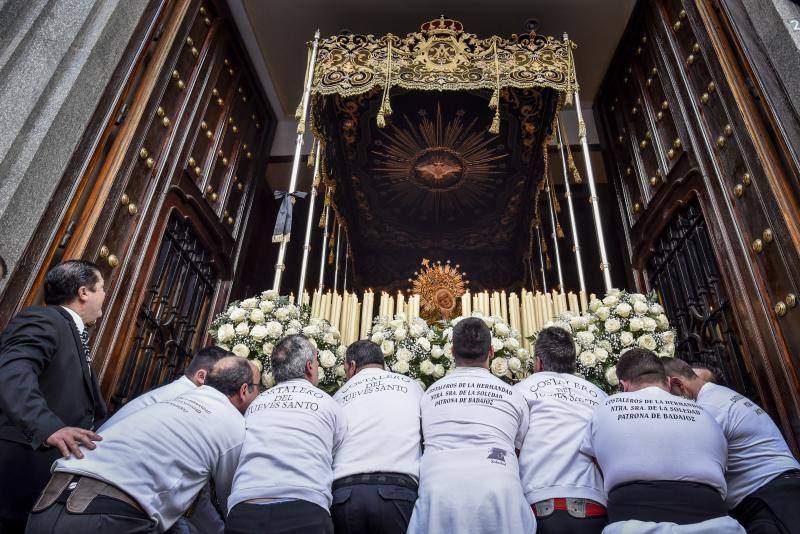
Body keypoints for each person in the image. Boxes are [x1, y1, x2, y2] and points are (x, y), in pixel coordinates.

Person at [26, 356, 261, 534]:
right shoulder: (233, 424)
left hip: (46, 503)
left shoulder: (168, 400)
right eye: (258, 388)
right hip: (110, 516)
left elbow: (194, 497)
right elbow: (231, 497)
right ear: (243, 390)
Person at [581, 348, 743, 533]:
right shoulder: (704, 412)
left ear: (623, 386)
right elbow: (721, 463)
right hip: (716, 523)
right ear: (667, 381)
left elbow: (594, 458)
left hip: (632, 522)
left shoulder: (606, 407)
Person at [0, 260, 108, 532]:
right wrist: (48, 426)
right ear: (84, 292)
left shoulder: (73, 332)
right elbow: (13, 370)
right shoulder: (44, 319)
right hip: (15, 471)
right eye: (102, 288)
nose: (105, 296)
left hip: (43, 482)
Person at [407, 317, 535, 534]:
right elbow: (520, 447)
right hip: (500, 492)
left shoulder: (429, 395)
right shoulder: (514, 395)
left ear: (451, 351)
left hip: (439, 494)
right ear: (492, 352)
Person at [101, 345, 234, 534]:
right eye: (226, 381)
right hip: (117, 498)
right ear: (202, 377)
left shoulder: (170, 394)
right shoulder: (188, 404)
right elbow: (196, 498)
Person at [226, 335, 347, 534]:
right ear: (309, 366)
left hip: (245, 506)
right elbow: (337, 448)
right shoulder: (328, 403)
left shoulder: (256, 404)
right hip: (304, 506)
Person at [663, 357, 800, 533]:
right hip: (781, 490)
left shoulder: (709, 408)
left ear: (678, 385)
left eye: (667, 397)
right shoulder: (721, 395)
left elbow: (692, 467)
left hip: (771, 498)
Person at [515, 326, 608, 532]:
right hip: (592, 500)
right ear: (574, 362)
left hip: (538, 499)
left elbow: (513, 449)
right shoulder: (599, 394)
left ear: (538, 362)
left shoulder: (521, 391)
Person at [330, 340, 423, 534]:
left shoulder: (338, 396)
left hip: (347, 493)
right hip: (397, 490)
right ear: (383, 363)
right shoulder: (412, 387)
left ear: (352, 366)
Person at [101, 345, 233, 429]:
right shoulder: (183, 401)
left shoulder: (178, 390)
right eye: (225, 379)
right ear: (202, 377)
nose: (230, 389)